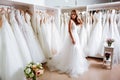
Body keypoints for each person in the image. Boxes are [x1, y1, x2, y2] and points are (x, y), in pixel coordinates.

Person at [47, 10, 89, 78]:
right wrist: (72, 39)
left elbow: (82, 23)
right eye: (72, 14)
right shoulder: (70, 21)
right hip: (72, 37)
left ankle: (75, 64)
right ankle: (70, 65)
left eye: (74, 14)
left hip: (76, 37)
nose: (73, 15)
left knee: (76, 51)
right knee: (73, 50)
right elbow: (69, 31)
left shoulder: (75, 21)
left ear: (76, 15)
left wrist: (78, 18)